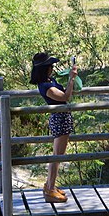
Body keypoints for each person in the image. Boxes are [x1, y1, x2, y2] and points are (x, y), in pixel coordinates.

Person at [29, 52, 78, 203]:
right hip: (59, 118)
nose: (52, 68)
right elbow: (64, 97)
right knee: (57, 155)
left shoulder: (49, 81)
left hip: (62, 117)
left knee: (58, 154)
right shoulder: (46, 86)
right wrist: (71, 79)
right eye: (50, 66)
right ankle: (50, 189)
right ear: (44, 69)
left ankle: (50, 186)